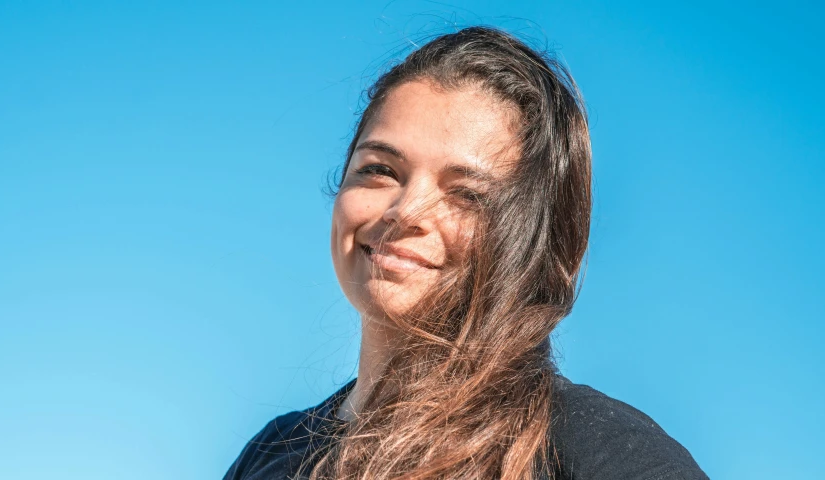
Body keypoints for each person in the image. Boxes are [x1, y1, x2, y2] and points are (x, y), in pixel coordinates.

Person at [223, 26, 708, 480]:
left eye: (468, 195)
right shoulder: (272, 453)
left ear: (539, 238)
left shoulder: (592, 449)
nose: (404, 210)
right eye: (380, 169)